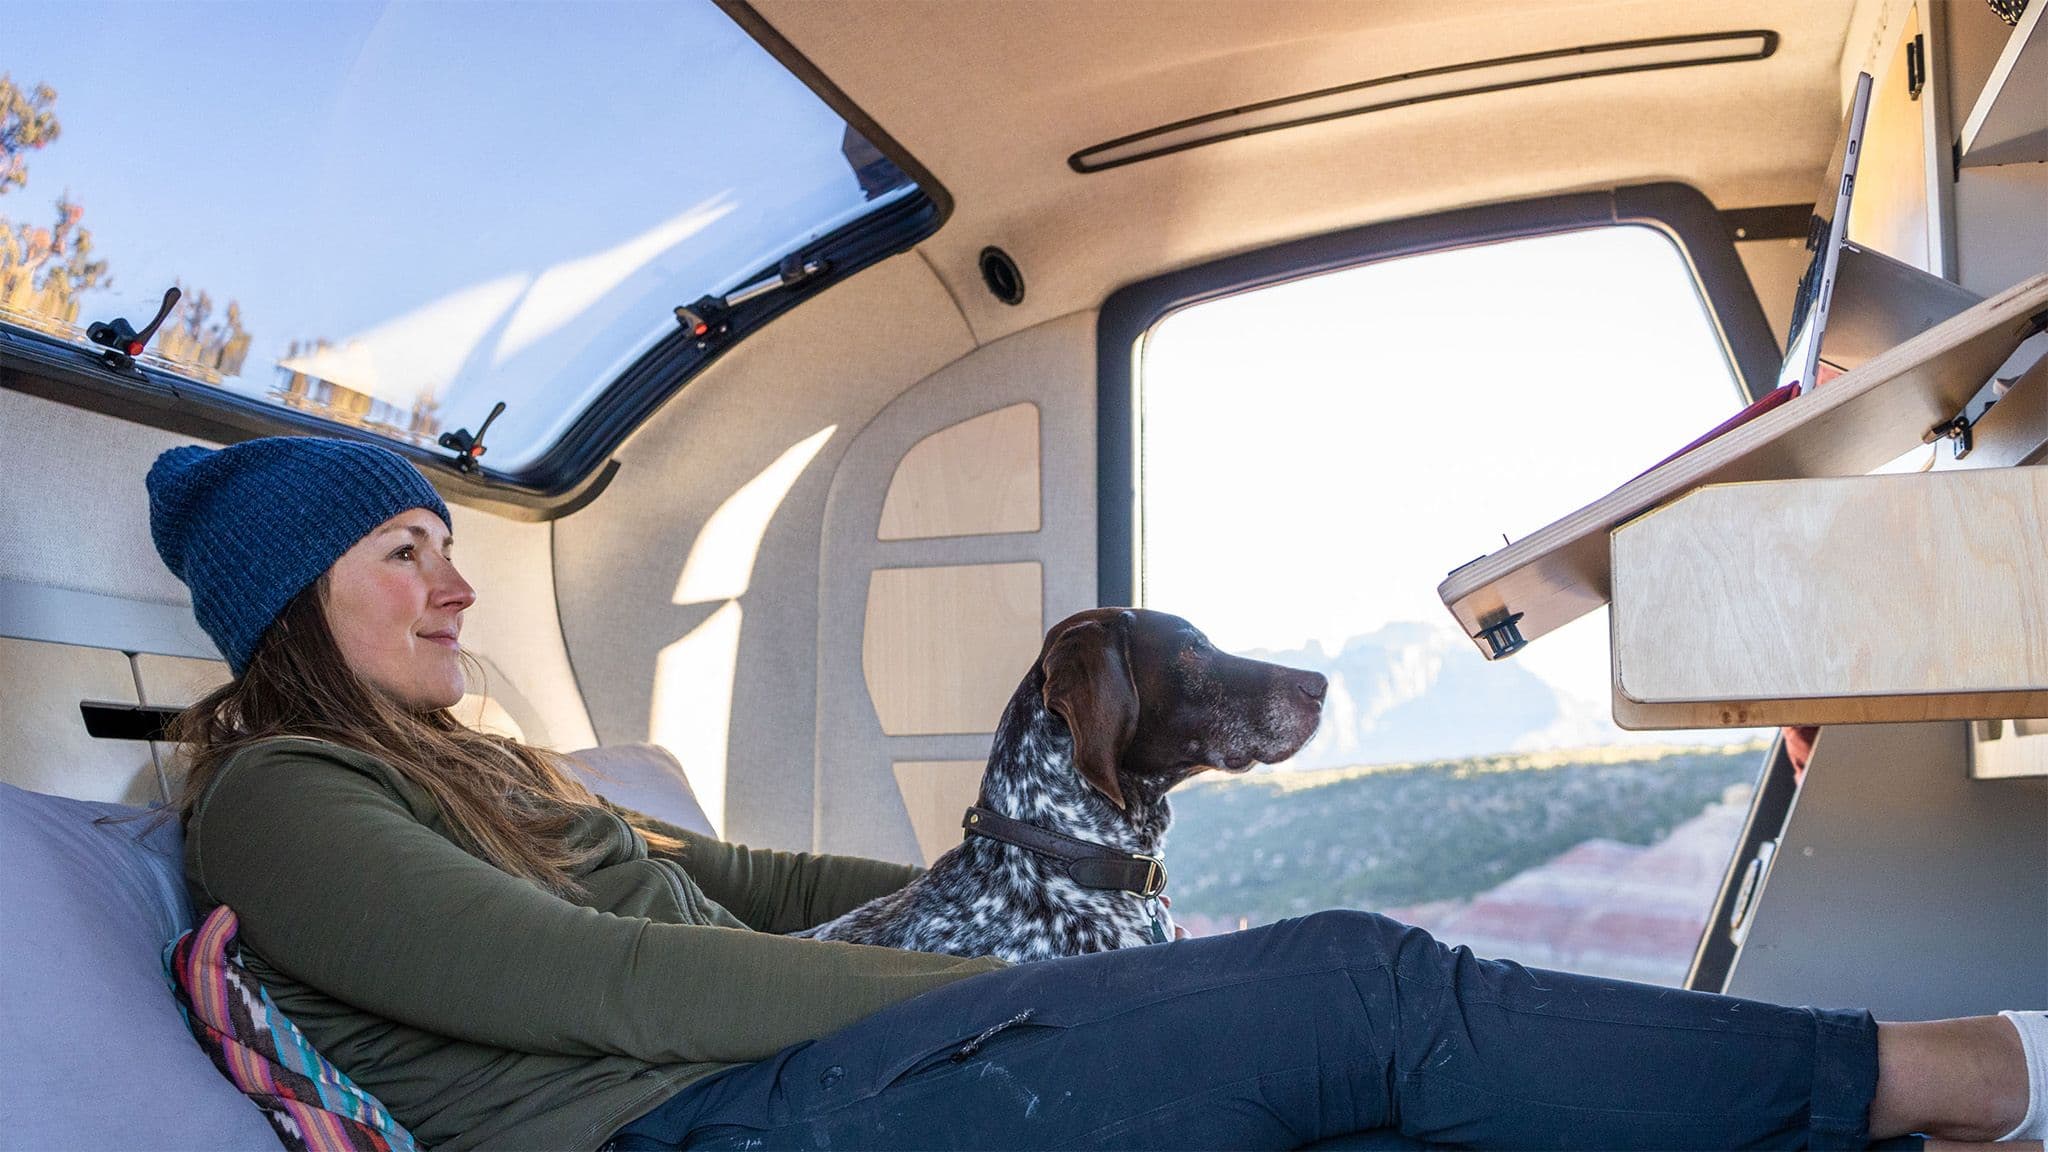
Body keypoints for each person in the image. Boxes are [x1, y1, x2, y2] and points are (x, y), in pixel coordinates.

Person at [145, 435, 2043, 1152]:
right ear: (290, 603)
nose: (455, 583)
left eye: (448, 546)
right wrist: (1022, 988)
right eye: (406, 552)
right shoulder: (290, 804)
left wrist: (990, 884)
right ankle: (1963, 1077)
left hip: (769, 1082)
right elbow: (616, 994)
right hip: (692, 1129)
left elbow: (748, 883)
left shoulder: (481, 772)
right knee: (1349, 986)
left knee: (1353, 1104)